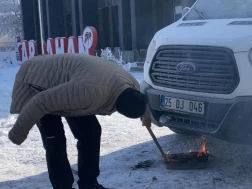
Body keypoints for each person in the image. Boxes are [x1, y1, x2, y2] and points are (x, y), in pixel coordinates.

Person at [7, 53, 152, 189]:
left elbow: (138, 100)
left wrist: (145, 115)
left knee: (91, 131)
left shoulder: (131, 84)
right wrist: (18, 133)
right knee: (54, 140)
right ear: (116, 107)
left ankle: (89, 184)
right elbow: (39, 103)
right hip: (36, 81)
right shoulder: (88, 93)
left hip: (76, 81)